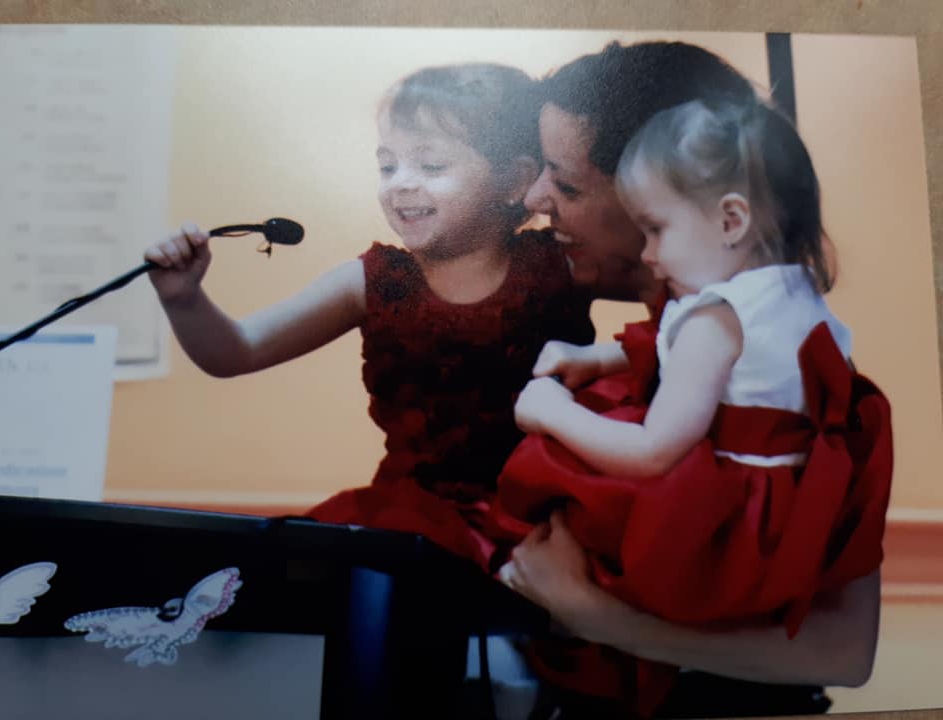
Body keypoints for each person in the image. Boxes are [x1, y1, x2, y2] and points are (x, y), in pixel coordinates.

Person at [494, 41, 890, 719]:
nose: (535, 201)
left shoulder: (799, 382)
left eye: (565, 182)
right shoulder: (608, 349)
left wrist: (596, 616)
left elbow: (842, 652)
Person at [143, 63, 595, 568]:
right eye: (387, 166)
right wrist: (183, 298)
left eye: (431, 167)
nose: (400, 185)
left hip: (544, 519)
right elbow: (235, 352)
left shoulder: (561, 262)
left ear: (513, 181)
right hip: (411, 523)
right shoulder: (375, 281)